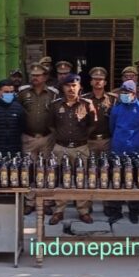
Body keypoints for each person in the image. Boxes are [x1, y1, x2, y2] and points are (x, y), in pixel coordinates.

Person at [48, 73, 96, 225]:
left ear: (79, 87)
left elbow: (92, 125)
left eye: (74, 85)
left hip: (81, 147)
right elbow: (51, 125)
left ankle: (83, 211)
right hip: (60, 147)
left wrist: (81, 137)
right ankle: (59, 210)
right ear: (63, 88)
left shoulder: (87, 104)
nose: (71, 89)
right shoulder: (55, 105)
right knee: (60, 178)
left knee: (82, 179)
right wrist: (61, 137)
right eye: (68, 86)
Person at [109, 80, 139, 224]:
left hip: (135, 151)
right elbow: (112, 127)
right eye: (122, 92)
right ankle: (116, 210)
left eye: (127, 92)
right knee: (117, 180)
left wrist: (137, 142)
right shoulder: (117, 109)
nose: (124, 95)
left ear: (134, 93)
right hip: (117, 149)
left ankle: (134, 210)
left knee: (134, 180)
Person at [18, 64, 58, 215]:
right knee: (28, 170)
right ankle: (29, 201)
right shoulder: (23, 93)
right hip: (29, 137)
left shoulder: (53, 94)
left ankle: (45, 201)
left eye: (38, 75)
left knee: (46, 170)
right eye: (33, 75)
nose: (35, 77)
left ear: (45, 77)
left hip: (47, 137)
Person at [82, 66, 118, 217]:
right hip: (89, 141)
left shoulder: (113, 99)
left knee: (106, 172)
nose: (98, 82)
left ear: (105, 82)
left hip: (106, 140)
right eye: (95, 79)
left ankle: (107, 203)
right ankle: (87, 204)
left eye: (101, 79)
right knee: (88, 172)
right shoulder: (84, 99)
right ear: (91, 82)